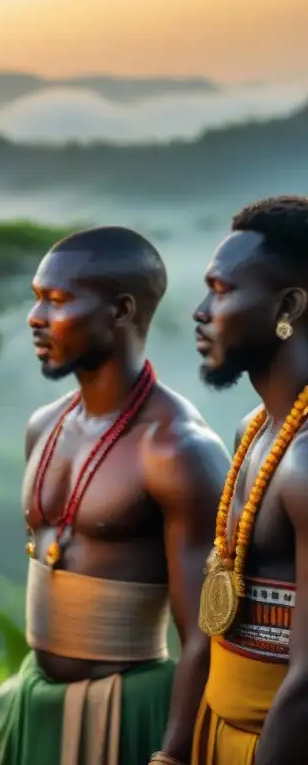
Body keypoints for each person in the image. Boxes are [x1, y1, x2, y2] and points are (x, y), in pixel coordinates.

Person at [0, 226, 231, 765]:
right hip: (37, 701)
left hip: (131, 713)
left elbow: (205, 636)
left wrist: (172, 754)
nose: (36, 317)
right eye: (37, 298)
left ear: (121, 311)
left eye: (57, 300)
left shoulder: (178, 450)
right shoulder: (45, 425)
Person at [191, 195, 308, 765]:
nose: (201, 311)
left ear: (288, 305)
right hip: (217, 731)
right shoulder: (253, 430)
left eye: (221, 290)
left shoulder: (306, 466)